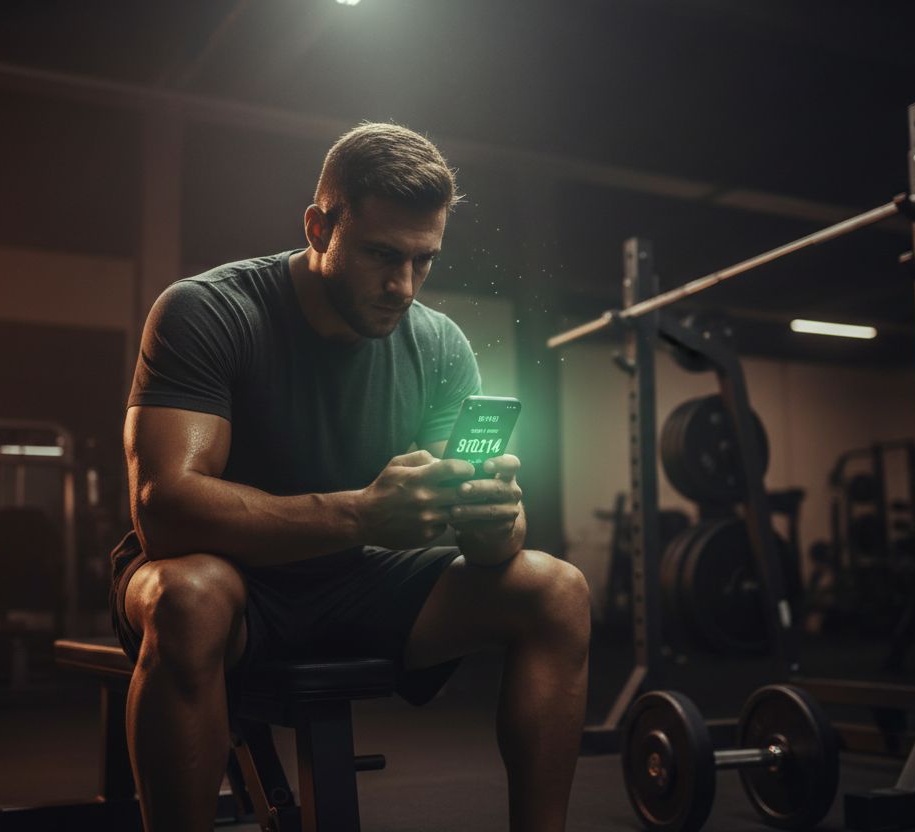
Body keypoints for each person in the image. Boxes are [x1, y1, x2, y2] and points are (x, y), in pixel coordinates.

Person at [109, 122, 591, 832]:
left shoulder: (438, 343)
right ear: (318, 226)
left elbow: (491, 545)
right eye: (380, 255)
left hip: (359, 577)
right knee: (187, 594)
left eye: (424, 261)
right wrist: (362, 515)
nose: (403, 285)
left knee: (557, 589)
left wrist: (493, 518)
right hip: (234, 582)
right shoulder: (209, 311)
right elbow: (165, 511)